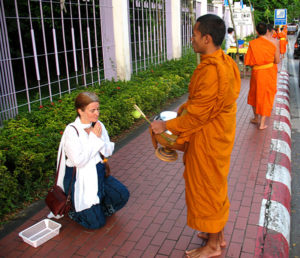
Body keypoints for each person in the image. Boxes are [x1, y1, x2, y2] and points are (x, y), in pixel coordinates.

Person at [151, 14, 241, 257]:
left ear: (206, 38)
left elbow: (198, 116)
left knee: (207, 189)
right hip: (217, 136)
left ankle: (212, 246)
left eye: (194, 34)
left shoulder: (213, 71)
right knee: (215, 186)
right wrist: (181, 113)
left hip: (209, 140)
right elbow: (201, 105)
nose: (191, 38)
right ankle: (217, 234)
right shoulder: (224, 61)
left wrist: (166, 125)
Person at [53, 91, 129, 229]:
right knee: (96, 224)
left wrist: (97, 138)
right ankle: (74, 211)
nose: (97, 113)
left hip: (98, 171)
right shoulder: (72, 131)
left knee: (122, 195)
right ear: (80, 111)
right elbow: (79, 161)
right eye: (92, 110)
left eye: (98, 109)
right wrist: (94, 139)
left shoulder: (98, 125)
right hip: (80, 177)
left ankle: (97, 209)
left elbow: (108, 151)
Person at [245, 22, 280, 130]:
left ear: (256, 31)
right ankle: (262, 123)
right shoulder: (274, 42)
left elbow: (248, 62)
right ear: (267, 31)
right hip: (269, 72)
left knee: (254, 94)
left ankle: (256, 118)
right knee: (266, 95)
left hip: (256, 73)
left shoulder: (252, 44)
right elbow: (277, 60)